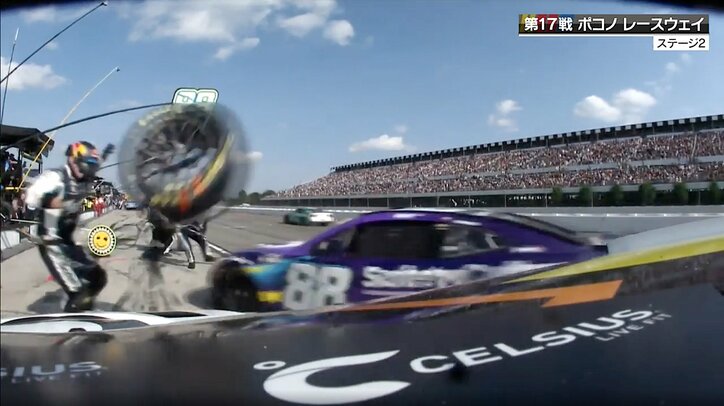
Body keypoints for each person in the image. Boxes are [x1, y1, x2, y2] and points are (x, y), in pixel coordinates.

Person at [25, 141, 114, 312]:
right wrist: (52, 201)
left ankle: (84, 309)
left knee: (98, 278)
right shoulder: (55, 178)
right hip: (52, 244)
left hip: (68, 242)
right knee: (77, 293)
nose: (88, 170)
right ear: (73, 160)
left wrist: (106, 154)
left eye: (92, 166)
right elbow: (31, 196)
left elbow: (97, 162)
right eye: (85, 164)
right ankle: (74, 314)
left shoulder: (86, 175)